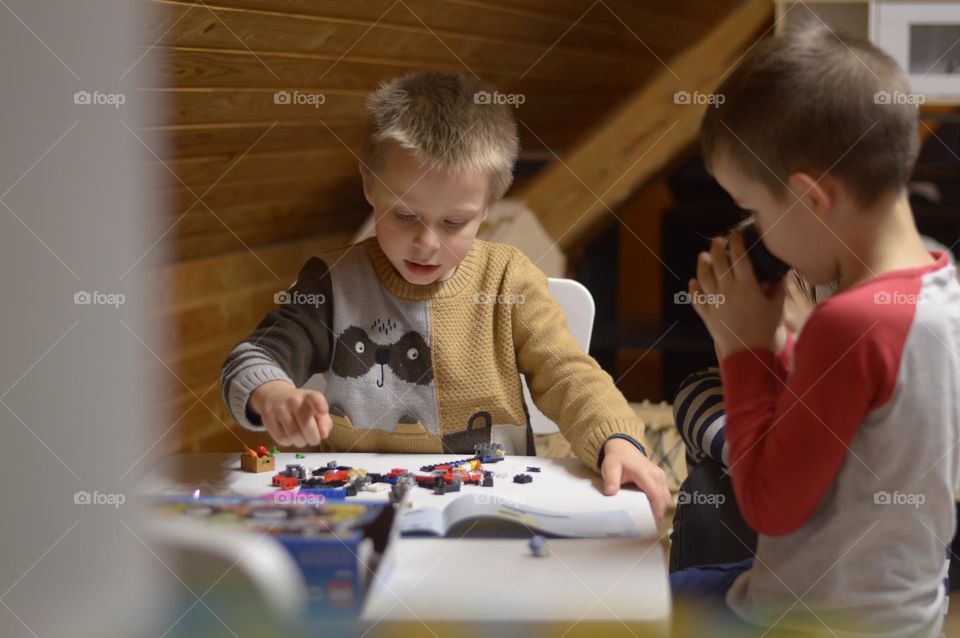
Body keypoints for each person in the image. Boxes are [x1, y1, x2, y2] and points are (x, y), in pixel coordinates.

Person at [218, 69, 671, 521]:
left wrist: (619, 440)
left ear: (487, 208)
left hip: (494, 506)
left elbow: (568, 374)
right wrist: (274, 395)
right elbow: (253, 357)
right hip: (355, 509)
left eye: (454, 223)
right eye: (405, 215)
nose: (427, 243)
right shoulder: (330, 281)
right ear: (369, 184)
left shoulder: (509, 278)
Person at [670, 25, 960, 636]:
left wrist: (742, 349)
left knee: (618, 603)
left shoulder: (849, 323)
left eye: (757, 208)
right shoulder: (941, 286)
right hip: (908, 615)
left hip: (810, 622)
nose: (757, 230)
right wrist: (786, 349)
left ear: (809, 198)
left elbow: (770, 506)